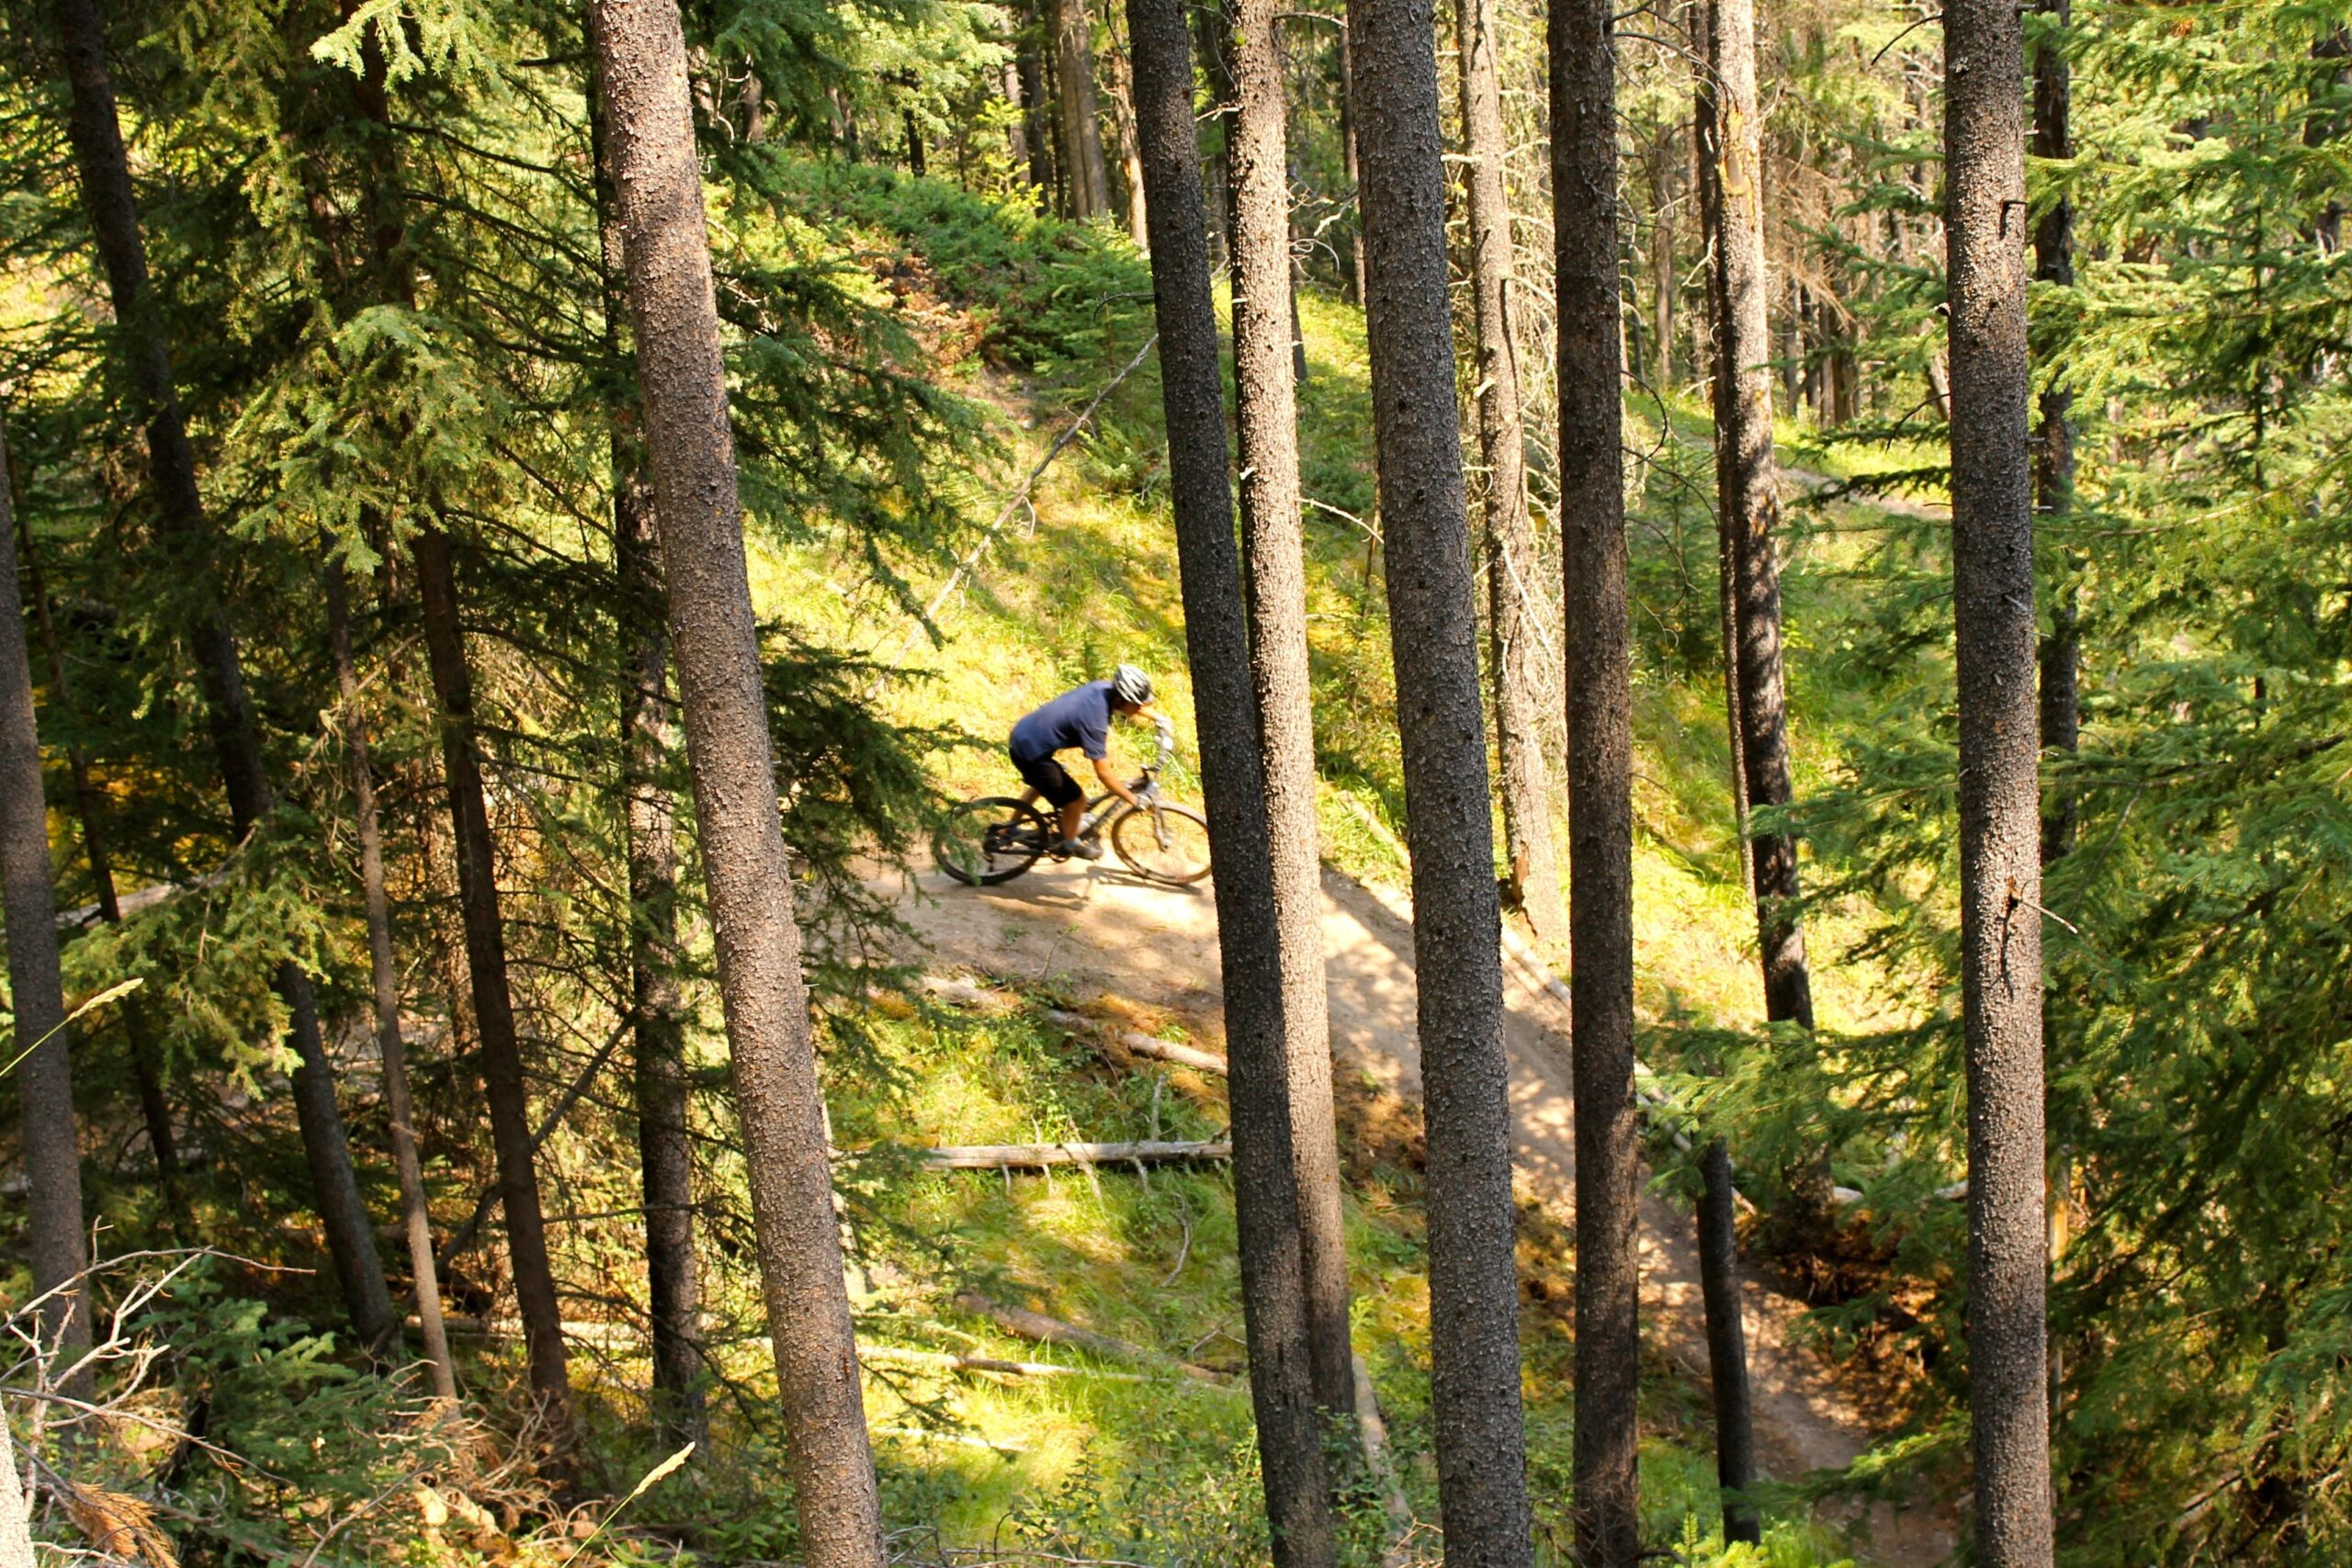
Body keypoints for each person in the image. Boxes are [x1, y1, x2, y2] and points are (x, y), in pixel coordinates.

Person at [1008, 664, 1155, 860]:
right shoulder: (1095, 721)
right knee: (1077, 801)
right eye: (1137, 705)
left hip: (1025, 734)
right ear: (1121, 699)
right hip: (1031, 753)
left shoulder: (1103, 688)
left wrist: (1157, 718)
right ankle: (1069, 845)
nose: (1140, 709)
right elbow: (1104, 774)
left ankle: (1009, 829)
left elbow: (1134, 706)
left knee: (1040, 785)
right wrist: (1134, 800)